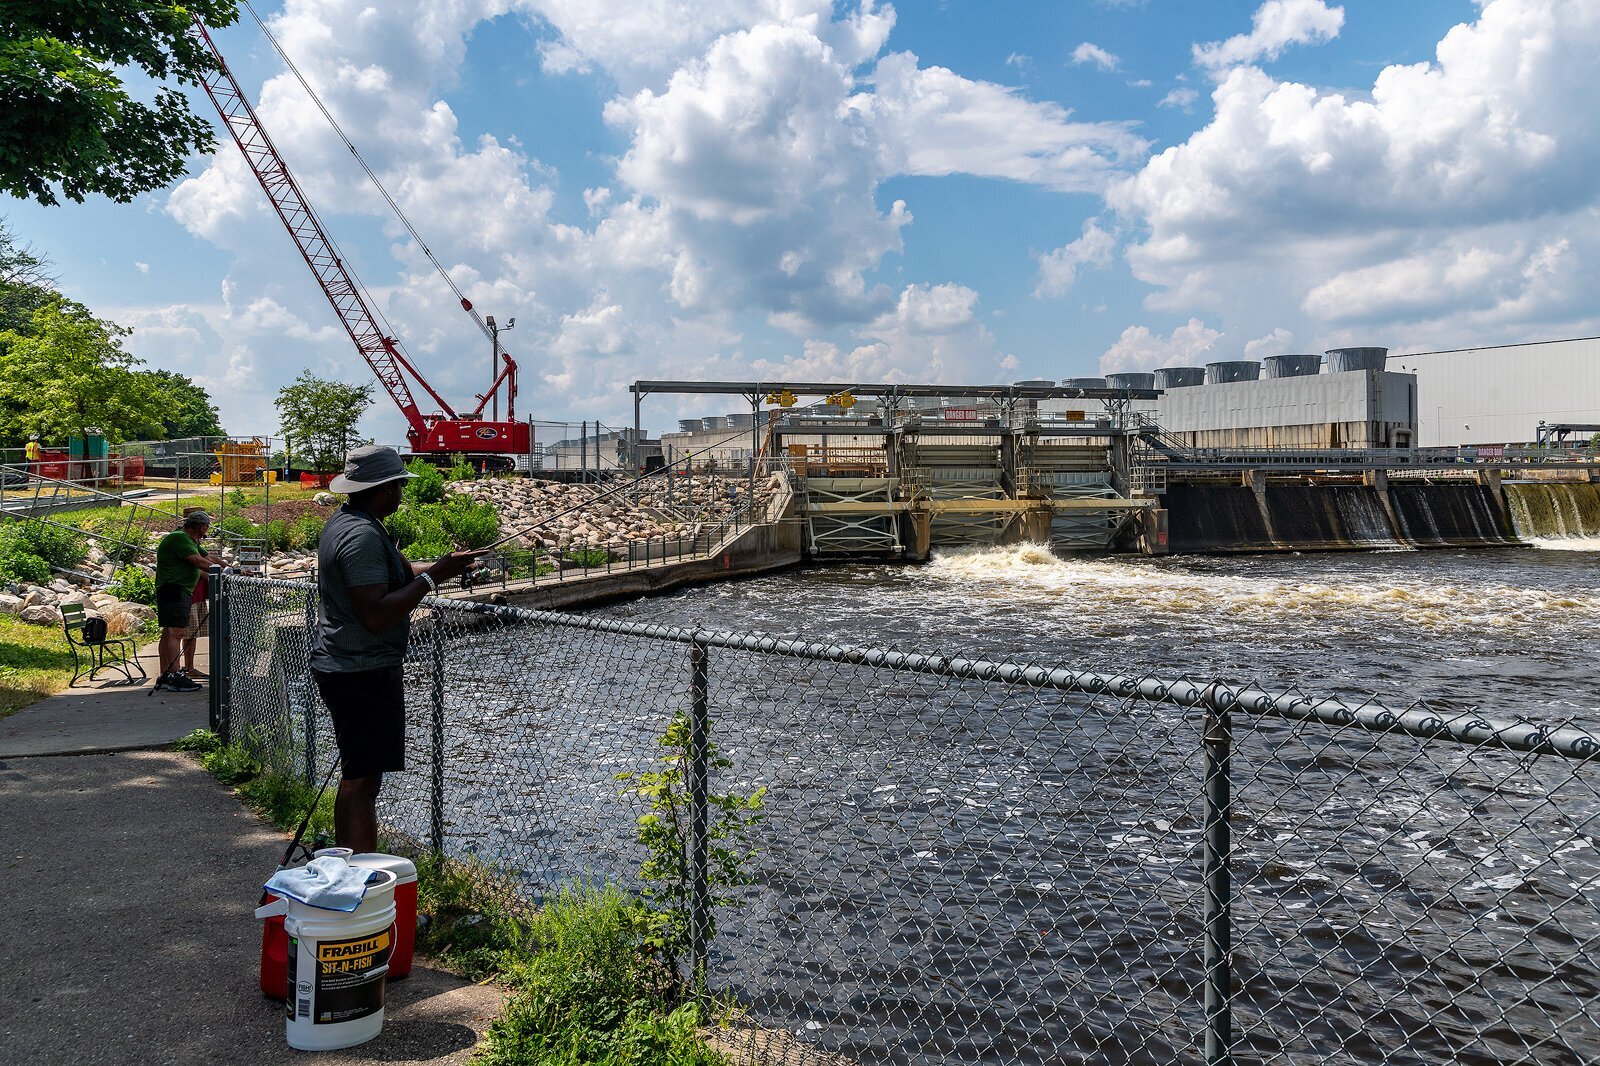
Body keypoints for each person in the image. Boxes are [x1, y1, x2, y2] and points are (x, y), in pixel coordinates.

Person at [312, 446, 480, 853]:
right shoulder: (363, 536)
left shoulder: (350, 522)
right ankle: (359, 881)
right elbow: (374, 614)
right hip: (361, 670)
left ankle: (355, 872)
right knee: (361, 781)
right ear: (385, 489)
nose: (402, 492)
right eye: (400, 485)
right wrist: (435, 578)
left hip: (347, 665)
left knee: (360, 774)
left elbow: (399, 576)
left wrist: (445, 566)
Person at [154, 511, 214, 692]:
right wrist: (225, 572)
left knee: (169, 632)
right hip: (174, 589)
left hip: (176, 589)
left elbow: (209, 558)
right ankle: (174, 676)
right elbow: (199, 562)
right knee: (176, 632)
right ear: (203, 528)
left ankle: (166, 674)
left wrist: (234, 570)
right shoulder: (180, 538)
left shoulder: (187, 539)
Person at [183, 571, 210, 680]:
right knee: (188, 635)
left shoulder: (199, 553)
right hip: (190, 597)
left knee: (192, 636)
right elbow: (199, 569)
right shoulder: (190, 555)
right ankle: (188, 668)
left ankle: (190, 667)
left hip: (199, 596)